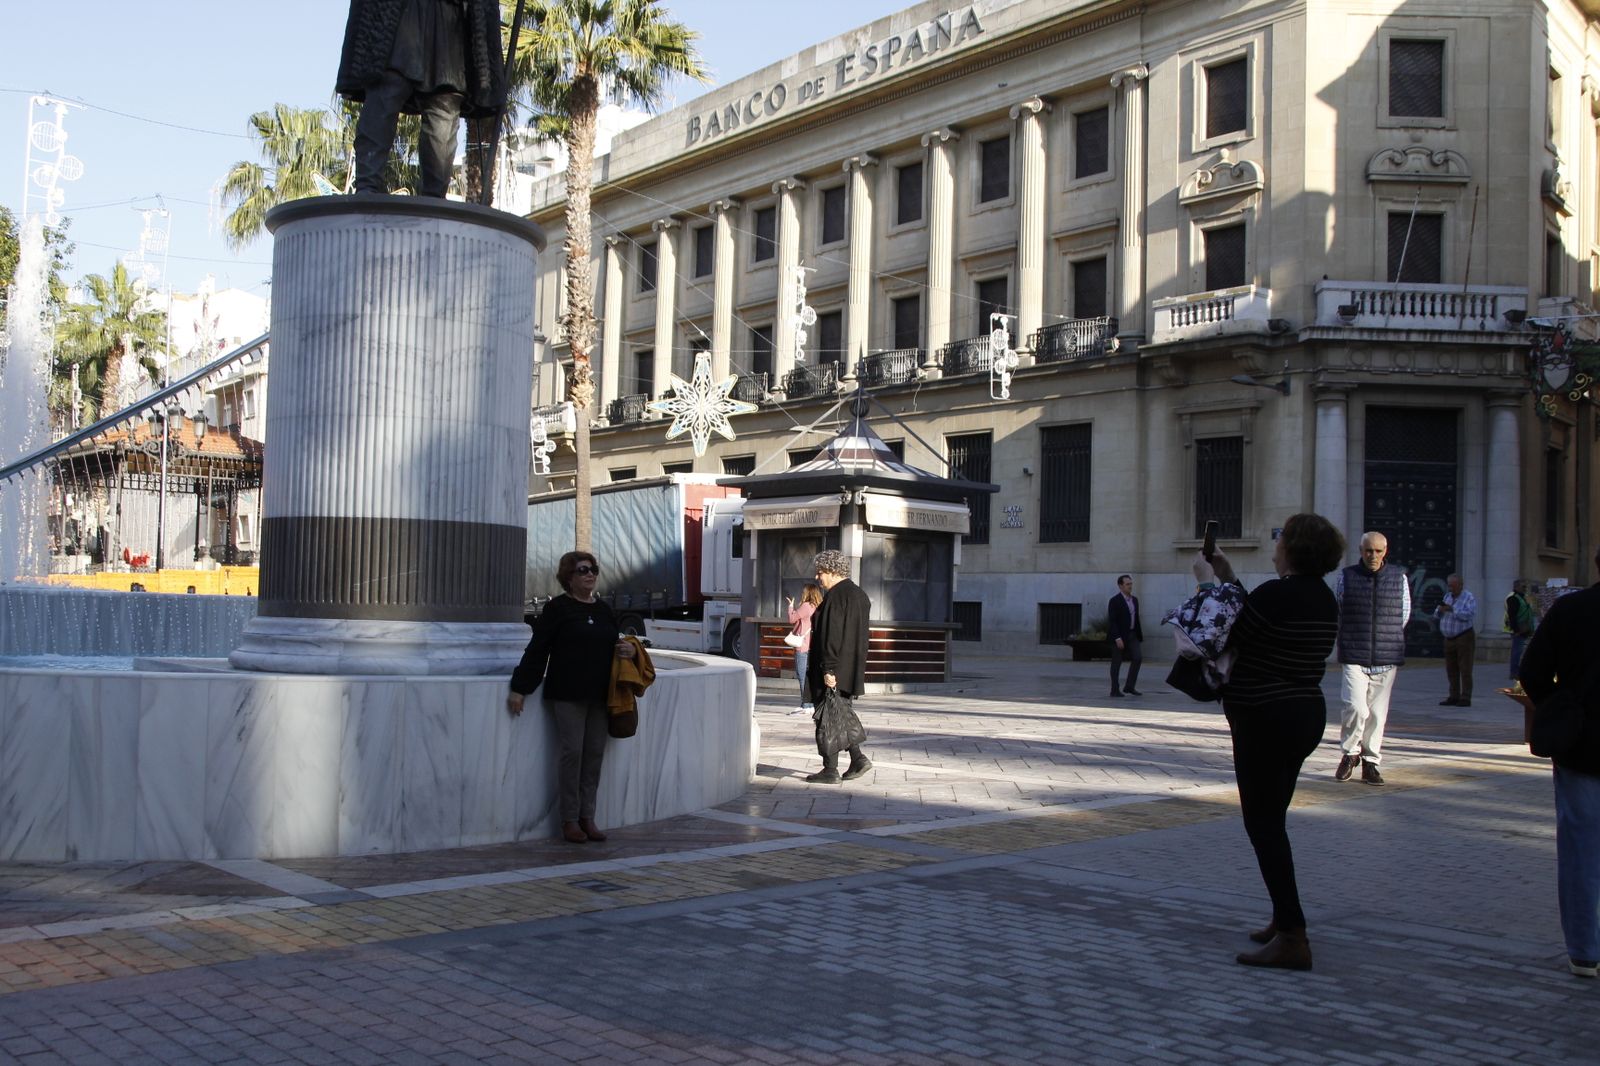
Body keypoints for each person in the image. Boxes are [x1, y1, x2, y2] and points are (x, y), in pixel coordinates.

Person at [1199, 514, 1344, 971]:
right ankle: (1284, 916)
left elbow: (1221, 632)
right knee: (1273, 819)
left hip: (1265, 715)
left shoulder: (1277, 595)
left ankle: (1293, 935)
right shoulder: (1322, 597)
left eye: (1281, 536)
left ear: (1294, 548)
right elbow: (1259, 618)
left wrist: (1207, 586)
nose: (1275, 542)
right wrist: (1227, 577)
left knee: (1263, 825)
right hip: (1304, 713)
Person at [1512, 544, 1600, 979]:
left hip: (1581, 746)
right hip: (1582, 746)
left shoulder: (1571, 610)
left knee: (1581, 852)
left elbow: (1531, 671)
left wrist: (1561, 708)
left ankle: (1585, 950)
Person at [507, 551, 636, 844]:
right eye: (582, 570)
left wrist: (626, 649)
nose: (590, 574)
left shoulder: (604, 610)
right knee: (572, 754)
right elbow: (538, 649)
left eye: (593, 569)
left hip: (601, 695)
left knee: (593, 756)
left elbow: (613, 643)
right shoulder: (558, 609)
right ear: (569, 577)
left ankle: (587, 817)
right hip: (567, 694)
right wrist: (520, 687)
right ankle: (569, 819)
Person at [337, 0, 507, 197]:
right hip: (402, 14)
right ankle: (368, 185)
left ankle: (434, 198)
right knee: (388, 88)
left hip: (450, 18)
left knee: (444, 100)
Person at [1333, 531, 1411, 785]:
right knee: (1355, 706)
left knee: (1377, 713)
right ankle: (1351, 752)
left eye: (1378, 551)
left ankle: (1371, 761)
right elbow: (1339, 608)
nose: (1373, 556)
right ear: (1360, 550)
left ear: (1385, 551)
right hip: (1355, 652)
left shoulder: (1399, 577)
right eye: (1368, 551)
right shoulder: (1347, 577)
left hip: (1386, 655)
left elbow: (1404, 614)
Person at [805, 550, 872, 784]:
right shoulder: (860, 595)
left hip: (832, 668)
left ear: (833, 571)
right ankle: (857, 759)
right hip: (850, 668)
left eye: (820, 572)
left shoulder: (835, 597)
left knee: (826, 717)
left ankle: (831, 770)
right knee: (838, 713)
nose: (817, 577)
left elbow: (831, 636)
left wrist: (829, 670)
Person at [1434, 574, 1477, 707]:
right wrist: (1440, 610)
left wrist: (1453, 609)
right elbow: (1436, 615)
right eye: (1449, 586)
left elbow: (1469, 615)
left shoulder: (1468, 597)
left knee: (1465, 668)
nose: (1450, 588)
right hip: (1449, 638)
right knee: (1451, 668)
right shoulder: (1447, 597)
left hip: (1464, 636)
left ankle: (1465, 697)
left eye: (1453, 586)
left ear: (1460, 585)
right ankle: (1453, 695)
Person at [787, 583, 824, 715]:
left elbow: (792, 619)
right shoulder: (818, 606)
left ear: (807, 593)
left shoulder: (806, 606)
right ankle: (809, 703)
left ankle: (807, 704)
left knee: (801, 674)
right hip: (813, 645)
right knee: (809, 675)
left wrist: (791, 605)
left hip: (802, 646)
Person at [1107, 574, 1143, 697]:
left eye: (1131, 584)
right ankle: (1115, 689)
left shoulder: (1135, 600)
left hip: (1132, 634)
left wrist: (1138, 635)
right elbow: (1112, 621)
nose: (1130, 586)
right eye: (1127, 584)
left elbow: (1136, 618)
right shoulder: (1114, 601)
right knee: (1117, 662)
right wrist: (1117, 638)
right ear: (1120, 586)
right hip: (1119, 636)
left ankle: (1129, 686)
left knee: (1138, 658)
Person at [1505, 580, 1537, 680]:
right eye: (1523, 587)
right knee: (1517, 651)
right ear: (1517, 587)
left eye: (1525, 587)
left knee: (1520, 651)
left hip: (1525, 628)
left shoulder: (1523, 598)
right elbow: (1512, 615)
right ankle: (1514, 672)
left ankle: (1518, 671)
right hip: (1519, 630)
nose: (1525, 589)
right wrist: (1516, 630)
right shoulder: (1513, 599)